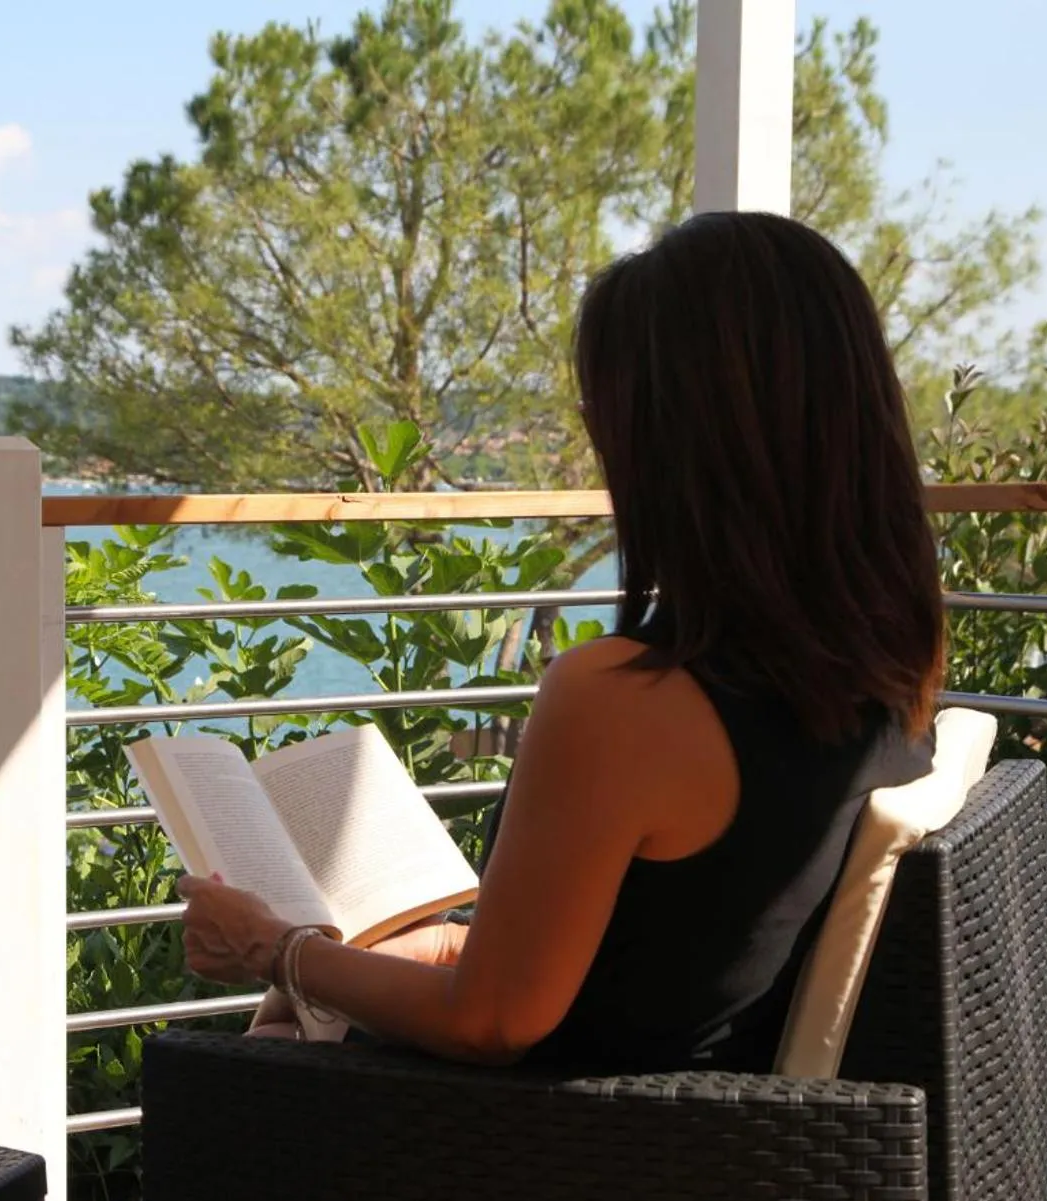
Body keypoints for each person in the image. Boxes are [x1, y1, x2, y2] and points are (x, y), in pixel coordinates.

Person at [178, 211, 946, 1073]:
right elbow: (662, 949)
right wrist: (401, 953)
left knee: (257, 1059)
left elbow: (491, 1021)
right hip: (701, 1133)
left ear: (670, 439)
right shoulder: (888, 667)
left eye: (602, 412)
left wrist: (275, 947)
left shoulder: (625, 699)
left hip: (546, 1141)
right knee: (290, 1032)